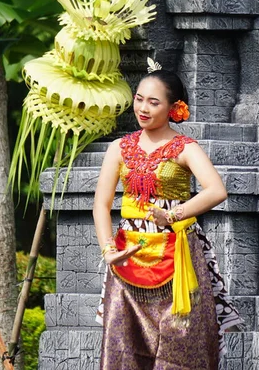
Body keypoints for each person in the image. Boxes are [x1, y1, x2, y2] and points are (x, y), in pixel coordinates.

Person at [93, 64, 242, 369]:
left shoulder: (184, 148)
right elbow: (101, 203)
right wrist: (109, 250)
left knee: (181, 340)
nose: (143, 108)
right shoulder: (119, 148)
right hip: (128, 257)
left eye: (153, 102)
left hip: (177, 256)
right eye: (139, 98)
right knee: (123, 342)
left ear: (175, 108)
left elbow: (216, 190)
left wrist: (172, 215)